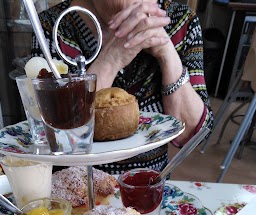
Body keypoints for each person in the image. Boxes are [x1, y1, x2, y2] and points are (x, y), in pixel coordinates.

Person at [31, 0, 213, 175]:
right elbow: (57, 138)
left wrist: (167, 55)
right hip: (76, 191)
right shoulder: (52, 27)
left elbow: (192, 136)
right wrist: (111, 59)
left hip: (149, 188)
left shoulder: (179, 21)